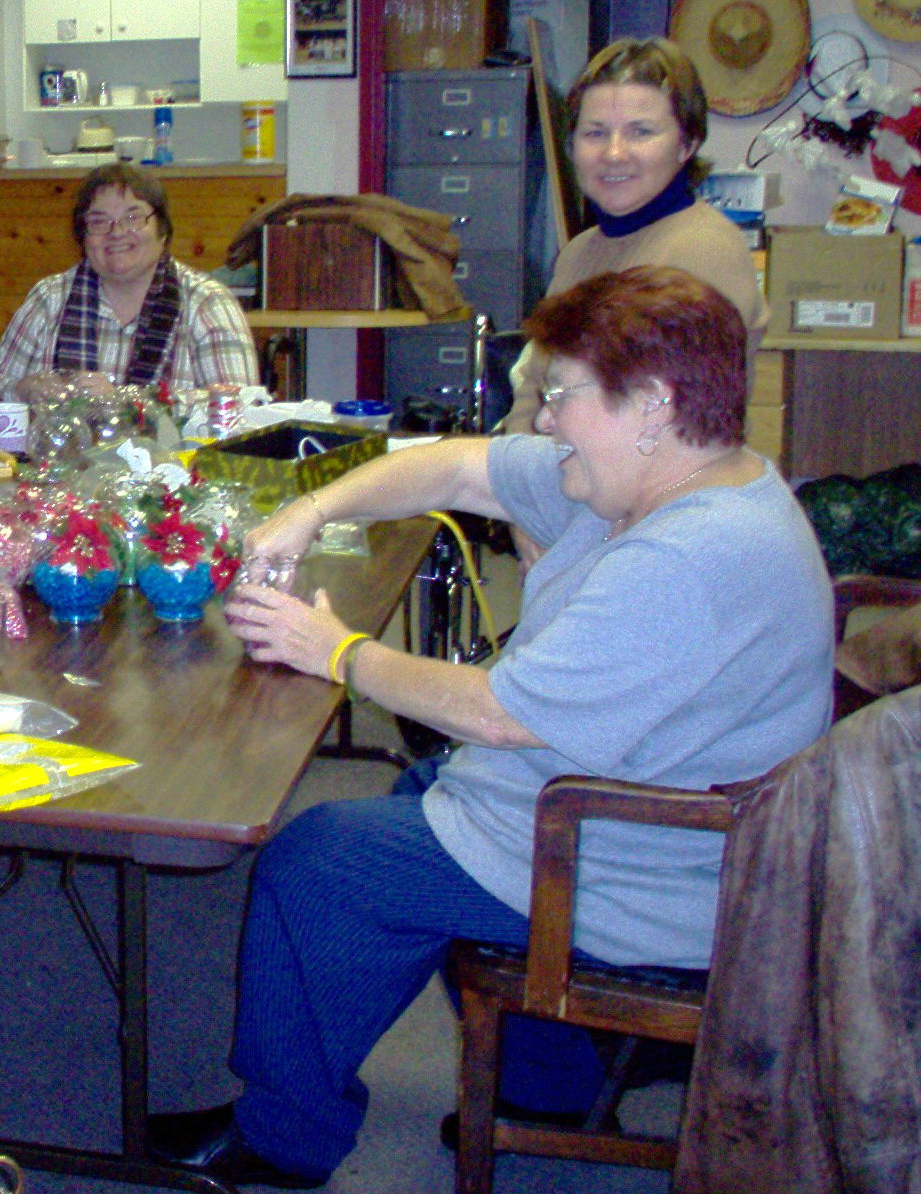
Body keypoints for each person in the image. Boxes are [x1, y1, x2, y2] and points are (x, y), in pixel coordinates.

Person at [149, 266, 832, 1188]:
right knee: (417, 793)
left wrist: (338, 652)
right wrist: (310, 509)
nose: (544, 420)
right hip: (640, 812)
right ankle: (541, 1082)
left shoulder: (690, 556)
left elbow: (500, 716)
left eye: (561, 396)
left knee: (318, 863)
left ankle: (282, 1137)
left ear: (654, 404)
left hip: (640, 859)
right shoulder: (671, 479)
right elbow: (460, 464)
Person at [500, 37, 767, 438]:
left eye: (640, 132)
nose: (614, 153)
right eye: (595, 133)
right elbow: (536, 389)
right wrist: (512, 467)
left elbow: (661, 429)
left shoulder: (703, 250)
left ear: (687, 144)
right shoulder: (578, 253)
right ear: (572, 146)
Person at [0, 162, 257, 405]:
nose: (117, 232)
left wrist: (125, 402)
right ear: (83, 236)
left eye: (133, 218)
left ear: (162, 229)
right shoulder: (49, 299)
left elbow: (241, 407)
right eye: (99, 222)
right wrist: (23, 388)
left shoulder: (208, 304)